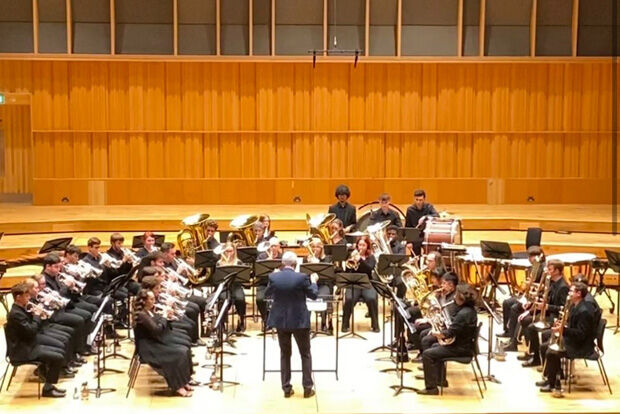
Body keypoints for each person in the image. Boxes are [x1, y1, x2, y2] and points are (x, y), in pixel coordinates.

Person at [265, 251, 319, 398]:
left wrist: (273, 277)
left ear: (283, 264)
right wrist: (314, 281)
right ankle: (307, 388)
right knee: (305, 354)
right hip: (299, 320)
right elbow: (313, 295)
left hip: (281, 321)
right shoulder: (302, 277)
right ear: (295, 265)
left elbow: (267, 294)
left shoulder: (274, 277)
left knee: (285, 354)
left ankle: (286, 388)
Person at [5, 283, 67, 398]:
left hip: (30, 343)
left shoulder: (21, 309)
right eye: (26, 296)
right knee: (58, 357)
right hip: (23, 350)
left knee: (60, 352)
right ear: (18, 297)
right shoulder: (15, 314)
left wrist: (36, 314)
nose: (29, 299)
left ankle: (48, 383)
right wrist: (37, 316)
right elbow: (31, 331)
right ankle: (47, 388)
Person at [416, 283, 478, 395]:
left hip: (461, 348)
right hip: (464, 344)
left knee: (427, 354)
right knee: (434, 347)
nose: (454, 297)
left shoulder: (463, 315)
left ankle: (431, 388)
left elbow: (449, 334)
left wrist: (436, 333)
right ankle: (440, 380)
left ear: (461, 298)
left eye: (456, 295)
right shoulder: (469, 310)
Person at [536, 282, 597, 393]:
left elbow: (581, 335)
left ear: (578, 293)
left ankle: (552, 384)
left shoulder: (585, 311)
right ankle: (553, 377)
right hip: (574, 340)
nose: (568, 293)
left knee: (551, 352)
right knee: (545, 345)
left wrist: (563, 330)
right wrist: (562, 324)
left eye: (571, 291)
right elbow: (572, 325)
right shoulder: (575, 305)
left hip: (580, 346)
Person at [133, 289, 195, 397]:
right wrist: (165, 317)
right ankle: (177, 386)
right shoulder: (142, 315)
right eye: (151, 299)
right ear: (144, 301)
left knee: (184, 350)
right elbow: (157, 330)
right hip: (148, 347)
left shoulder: (149, 311)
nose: (154, 301)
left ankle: (184, 381)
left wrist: (166, 317)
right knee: (179, 353)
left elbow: (157, 325)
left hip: (155, 341)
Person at [520, 259, 569, 367]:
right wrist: (538, 302)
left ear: (557, 271)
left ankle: (537, 357)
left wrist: (547, 306)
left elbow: (564, 308)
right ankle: (532, 352)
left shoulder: (563, 287)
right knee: (526, 320)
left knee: (532, 327)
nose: (546, 271)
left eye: (550, 269)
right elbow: (548, 297)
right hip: (548, 313)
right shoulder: (552, 282)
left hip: (556, 318)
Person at [497, 246, 546, 350]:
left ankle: (513, 342)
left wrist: (531, 284)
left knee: (515, 308)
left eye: (532, 256)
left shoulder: (543, 269)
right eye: (529, 256)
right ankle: (507, 331)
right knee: (507, 303)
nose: (530, 258)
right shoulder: (534, 267)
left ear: (539, 256)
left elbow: (542, 287)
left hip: (535, 298)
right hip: (528, 295)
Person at [341, 236, 379, 333]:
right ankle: (345, 324)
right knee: (349, 299)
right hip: (354, 283)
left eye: (363, 245)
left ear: (367, 246)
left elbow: (369, 269)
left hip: (367, 283)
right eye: (359, 245)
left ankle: (375, 325)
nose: (361, 247)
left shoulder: (371, 257)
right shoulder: (352, 255)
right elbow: (347, 270)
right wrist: (350, 262)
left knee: (371, 298)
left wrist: (360, 260)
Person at [216, 242, 247, 332]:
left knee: (240, 299)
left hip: (236, 286)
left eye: (231, 251)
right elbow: (217, 279)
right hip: (224, 287)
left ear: (234, 251)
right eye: (227, 251)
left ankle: (241, 320)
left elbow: (243, 278)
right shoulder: (219, 263)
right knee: (224, 299)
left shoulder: (238, 262)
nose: (229, 253)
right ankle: (222, 323)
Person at [256, 238, 284, 325]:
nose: (273, 248)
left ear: (279, 246)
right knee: (260, 299)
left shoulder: (283, 258)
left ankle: (279, 319)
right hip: (264, 283)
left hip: (279, 285)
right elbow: (258, 273)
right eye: (271, 246)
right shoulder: (262, 257)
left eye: (275, 246)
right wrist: (267, 262)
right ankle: (266, 319)